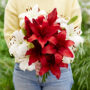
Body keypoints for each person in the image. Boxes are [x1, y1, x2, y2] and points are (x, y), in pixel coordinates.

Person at [4, 0, 82, 90]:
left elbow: (75, 35)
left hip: (58, 68)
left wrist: (48, 59)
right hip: (25, 72)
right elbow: (10, 34)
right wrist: (34, 61)